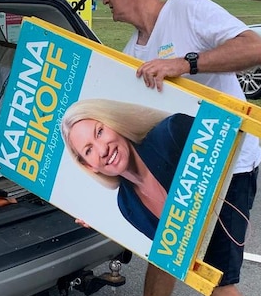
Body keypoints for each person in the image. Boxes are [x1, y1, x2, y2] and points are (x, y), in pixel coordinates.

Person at [83, 0, 261, 296]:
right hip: (181, 170)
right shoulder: (133, 51)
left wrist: (185, 64)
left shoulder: (188, 10)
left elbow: (256, 49)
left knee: (218, 278)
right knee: (167, 249)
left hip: (227, 166)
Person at [60, 99, 193, 239]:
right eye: (88, 150)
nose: (102, 150)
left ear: (113, 122)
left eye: (99, 132)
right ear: (89, 165)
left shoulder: (171, 133)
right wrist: (103, 227)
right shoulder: (127, 205)